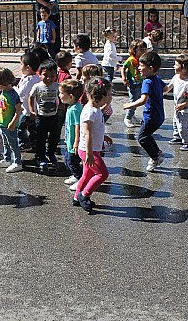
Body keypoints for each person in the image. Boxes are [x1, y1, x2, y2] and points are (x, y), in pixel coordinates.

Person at [73, 77, 113, 212]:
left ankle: (76, 198)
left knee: (87, 175)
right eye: (109, 94)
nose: (110, 96)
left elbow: (96, 127)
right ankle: (84, 195)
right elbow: (87, 133)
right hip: (88, 151)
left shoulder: (94, 109)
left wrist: (103, 136)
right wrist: (90, 154)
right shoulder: (89, 112)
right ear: (100, 96)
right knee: (103, 174)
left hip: (90, 149)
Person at [123, 51, 166, 172]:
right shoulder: (156, 78)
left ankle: (155, 157)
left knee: (141, 138)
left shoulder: (147, 82)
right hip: (158, 116)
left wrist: (129, 105)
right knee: (146, 135)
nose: (139, 68)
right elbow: (166, 89)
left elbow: (143, 100)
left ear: (150, 68)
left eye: (142, 66)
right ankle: (157, 152)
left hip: (151, 117)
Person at [28, 59, 60, 167]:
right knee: (41, 138)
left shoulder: (57, 86)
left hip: (54, 116)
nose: (48, 78)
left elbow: (61, 97)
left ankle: (51, 153)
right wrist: (32, 110)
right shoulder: (37, 86)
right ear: (39, 74)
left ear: (56, 75)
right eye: (45, 75)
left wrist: (62, 108)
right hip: (41, 117)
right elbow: (31, 97)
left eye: (52, 75)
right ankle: (40, 156)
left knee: (54, 137)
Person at [0, 68, 23, 173]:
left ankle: (17, 162)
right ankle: (7, 159)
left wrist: (13, 122)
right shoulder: (3, 92)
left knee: (13, 144)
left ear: (4, 82)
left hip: (9, 124)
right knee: (5, 143)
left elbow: (18, 110)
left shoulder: (13, 94)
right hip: (2, 123)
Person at [164, 54, 188, 151]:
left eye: (176, 65)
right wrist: (161, 91)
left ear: (184, 68)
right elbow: (168, 87)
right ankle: (177, 136)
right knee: (175, 122)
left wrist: (184, 104)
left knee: (182, 126)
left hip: (186, 109)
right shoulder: (176, 77)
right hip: (177, 106)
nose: (174, 66)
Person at [59, 79, 84, 188]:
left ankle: (80, 179)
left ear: (71, 96)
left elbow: (78, 126)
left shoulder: (74, 109)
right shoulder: (72, 107)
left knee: (71, 161)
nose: (59, 95)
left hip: (74, 142)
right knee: (68, 159)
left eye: (61, 93)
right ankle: (76, 175)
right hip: (70, 141)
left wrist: (76, 142)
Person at [15, 52, 41, 150]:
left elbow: (21, 93)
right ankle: (34, 142)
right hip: (34, 109)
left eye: (21, 64)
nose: (20, 66)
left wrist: (14, 89)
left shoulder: (29, 80)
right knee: (33, 127)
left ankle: (24, 143)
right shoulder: (36, 78)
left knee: (21, 127)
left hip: (26, 109)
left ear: (28, 67)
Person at [121, 39, 147, 127]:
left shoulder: (142, 59)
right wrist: (124, 78)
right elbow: (123, 68)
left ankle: (132, 115)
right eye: (141, 49)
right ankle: (127, 117)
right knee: (133, 100)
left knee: (138, 99)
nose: (144, 51)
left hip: (140, 82)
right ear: (134, 50)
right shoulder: (131, 59)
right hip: (132, 83)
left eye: (145, 49)